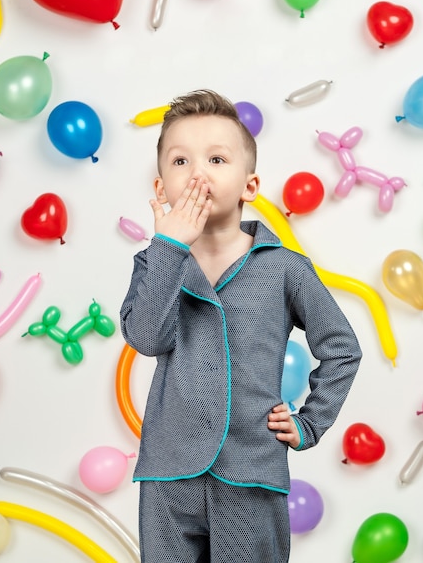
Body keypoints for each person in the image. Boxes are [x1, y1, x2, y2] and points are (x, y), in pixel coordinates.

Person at [120, 89, 362, 563]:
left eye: (216, 158)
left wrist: (309, 423)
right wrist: (168, 246)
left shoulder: (284, 268)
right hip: (169, 475)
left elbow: (342, 348)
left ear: (250, 186)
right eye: (180, 161)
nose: (197, 173)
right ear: (160, 187)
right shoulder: (155, 263)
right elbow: (147, 339)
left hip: (250, 469)